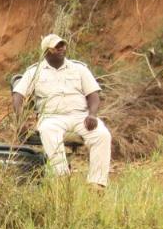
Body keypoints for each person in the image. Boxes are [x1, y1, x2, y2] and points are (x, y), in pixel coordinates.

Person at [12, 33, 112, 187]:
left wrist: (92, 114)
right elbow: (18, 95)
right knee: (48, 129)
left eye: (63, 45)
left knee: (102, 134)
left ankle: (96, 184)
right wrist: (21, 120)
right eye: (57, 47)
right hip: (52, 117)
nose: (62, 49)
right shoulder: (34, 71)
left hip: (80, 116)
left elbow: (93, 94)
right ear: (46, 51)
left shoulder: (79, 69)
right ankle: (62, 179)